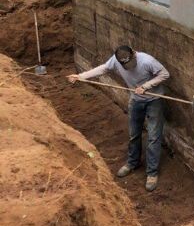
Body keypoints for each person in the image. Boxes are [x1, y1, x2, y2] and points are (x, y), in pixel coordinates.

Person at [67, 45, 170, 192]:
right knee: (134, 134)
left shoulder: (147, 61)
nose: (129, 67)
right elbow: (103, 68)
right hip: (135, 100)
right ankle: (132, 163)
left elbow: (164, 74)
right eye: (125, 65)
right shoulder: (116, 61)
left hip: (154, 100)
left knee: (153, 137)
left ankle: (152, 173)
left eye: (130, 63)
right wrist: (81, 76)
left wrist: (147, 86)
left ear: (134, 54)